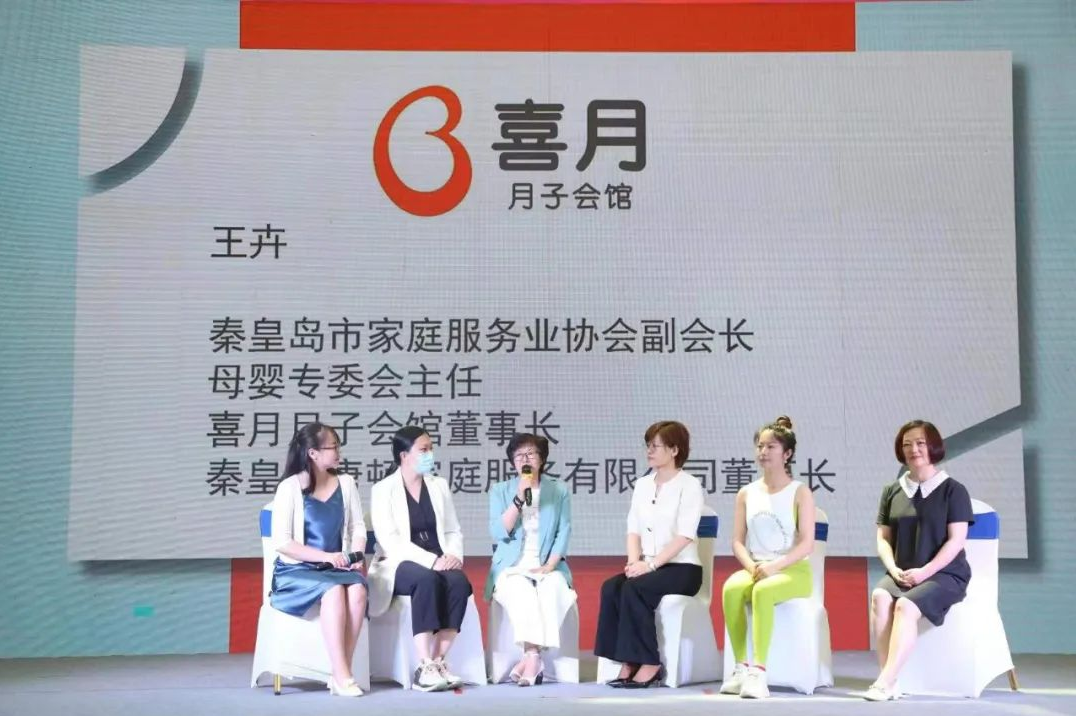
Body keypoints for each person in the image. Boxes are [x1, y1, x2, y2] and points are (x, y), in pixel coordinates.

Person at [866, 419, 974, 701]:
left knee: (905, 605)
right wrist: (892, 569)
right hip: (902, 571)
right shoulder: (892, 490)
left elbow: (956, 541)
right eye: (907, 444)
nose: (913, 449)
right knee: (880, 596)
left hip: (944, 574)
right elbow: (883, 538)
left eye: (920, 443)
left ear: (933, 446)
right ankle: (888, 679)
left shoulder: (953, 490)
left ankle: (884, 681)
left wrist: (925, 572)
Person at [594, 420, 705, 689]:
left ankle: (650, 663)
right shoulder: (642, 485)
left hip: (683, 569)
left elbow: (685, 535)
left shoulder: (689, 485)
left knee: (634, 589)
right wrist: (634, 562)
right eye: (648, 445)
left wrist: (651, 565)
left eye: (656, 446)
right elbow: (633, 529)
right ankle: (627, 660)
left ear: (674, 450)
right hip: (648, 565)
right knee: (612, 587)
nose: (649, 451)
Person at [367, 426, 473, 692]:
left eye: (431, 449)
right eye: (423, 450)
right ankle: (423, 666)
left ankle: (438, 661)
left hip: (439, 558)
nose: (430, 454)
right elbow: (390, 540)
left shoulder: (439, 485)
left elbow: (452, 529)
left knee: (459, 583)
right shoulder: (383, 489)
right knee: (425, 579)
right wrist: (431, 561)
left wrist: (453, 556)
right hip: (397, 563)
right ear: (404, 455)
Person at [720, 415, 816, 699]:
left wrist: (775, 566)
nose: (763, 452)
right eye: (760, 446)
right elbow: (737, 541)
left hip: (793, 570)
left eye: (771, 447)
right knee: (731, 588)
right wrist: (752, 566)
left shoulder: (800, 492)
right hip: (757, 567)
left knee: (763, 591)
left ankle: (759, 672)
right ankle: (740, 668)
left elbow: (807, 544)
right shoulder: (746, 493)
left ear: (787, 454)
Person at [269, 422, 368, 697]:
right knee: (333, 591)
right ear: (313, 453)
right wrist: (327, 557)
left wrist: (356, 554)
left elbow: (358, 527)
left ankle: (341, 672)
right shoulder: (289, 487)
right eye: (333, 447)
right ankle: (343, 675)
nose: (338, 452)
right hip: (297, 570)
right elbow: (283, 543)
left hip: (337, 566)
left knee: (358, 591)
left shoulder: (346, 483)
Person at [486, 433, 574, 687]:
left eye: (530, 454)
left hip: (548, 563)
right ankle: (534, 657)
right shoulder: (500, 490)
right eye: (519, 456)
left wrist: (550, 565)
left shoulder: (558, 490)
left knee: (552, 588)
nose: (524, 459)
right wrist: (519, 497)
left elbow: (564, 531)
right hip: (512, 566)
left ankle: (530, 659)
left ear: (542, 459)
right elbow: (498, 532)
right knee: (522, 591)